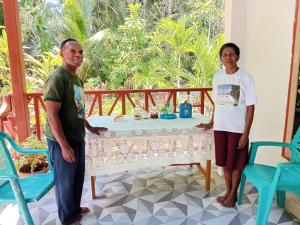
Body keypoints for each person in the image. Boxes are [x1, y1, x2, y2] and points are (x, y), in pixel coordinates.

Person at [44, 38, 108, 225]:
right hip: (62, 140)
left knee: (77, 178)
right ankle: (68, 219)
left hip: (77, 137)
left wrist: (89, 127)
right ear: (62, 54)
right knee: (65, 182)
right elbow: (52, 115)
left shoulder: (76, 79)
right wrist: (64, 147)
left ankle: (74, 208)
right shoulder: (58, 78)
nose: (78, 55)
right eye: (73, 51)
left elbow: (77, 110)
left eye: (80, 52)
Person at [197, 42, 257, 208]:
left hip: (237, 129)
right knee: (224, 163)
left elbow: (251, 107)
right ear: (221, 58)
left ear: (237, 56)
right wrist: (211, 122)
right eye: (225, 55)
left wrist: (245, 133)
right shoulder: (218, 77)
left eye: (232, 54)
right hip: (221, 127)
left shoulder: (246, 78)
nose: (228, 57)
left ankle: (233, 194)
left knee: (236, 163)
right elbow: (217, 103)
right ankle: (229, 191)